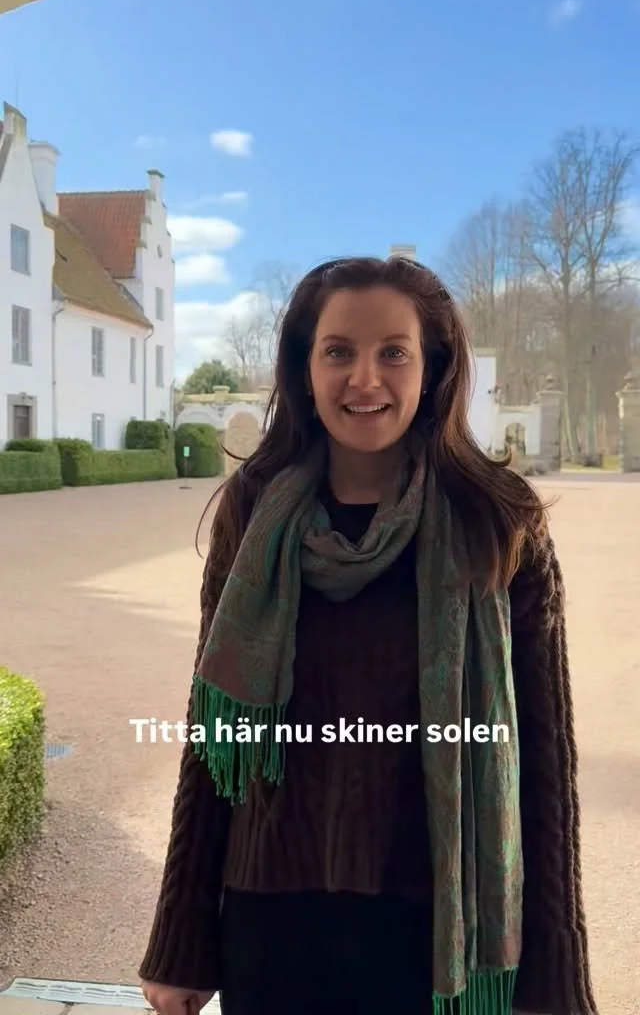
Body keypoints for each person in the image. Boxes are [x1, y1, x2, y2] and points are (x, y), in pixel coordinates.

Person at [139, 255, 599, 1015]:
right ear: (304, 367)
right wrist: (180, 943)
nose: (364, 378)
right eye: (338, 351)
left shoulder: (497, 519)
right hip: (272, 925)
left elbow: (543, 750)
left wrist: (556, 972)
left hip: (438, 926)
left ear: (434, 368)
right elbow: (214, 732)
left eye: (393, 352)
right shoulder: (255, 513)